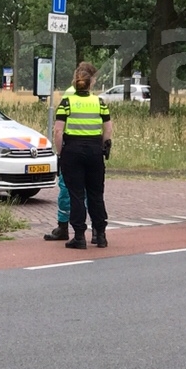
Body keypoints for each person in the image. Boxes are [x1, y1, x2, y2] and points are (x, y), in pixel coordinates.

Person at [53, 62, 112, 249]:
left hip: (73, 150)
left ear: (75, 81)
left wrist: (60, 153)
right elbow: (108, 127)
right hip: (95, 151)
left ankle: (79, 236)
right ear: (90, 83)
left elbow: (57, 131)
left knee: (76, 195)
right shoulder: (99, 102)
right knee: (96, 194)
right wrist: (104, 145)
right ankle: (100, 235)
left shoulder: (67, 102)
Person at [44, 85, 76, 242]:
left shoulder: (69, 94)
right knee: (91, 191)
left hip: (70, 148)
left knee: (66, 188)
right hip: (92, 149)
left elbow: (58, 130)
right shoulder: (96, 100)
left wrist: (59, 152)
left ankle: (63, 227)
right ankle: (97, 232)